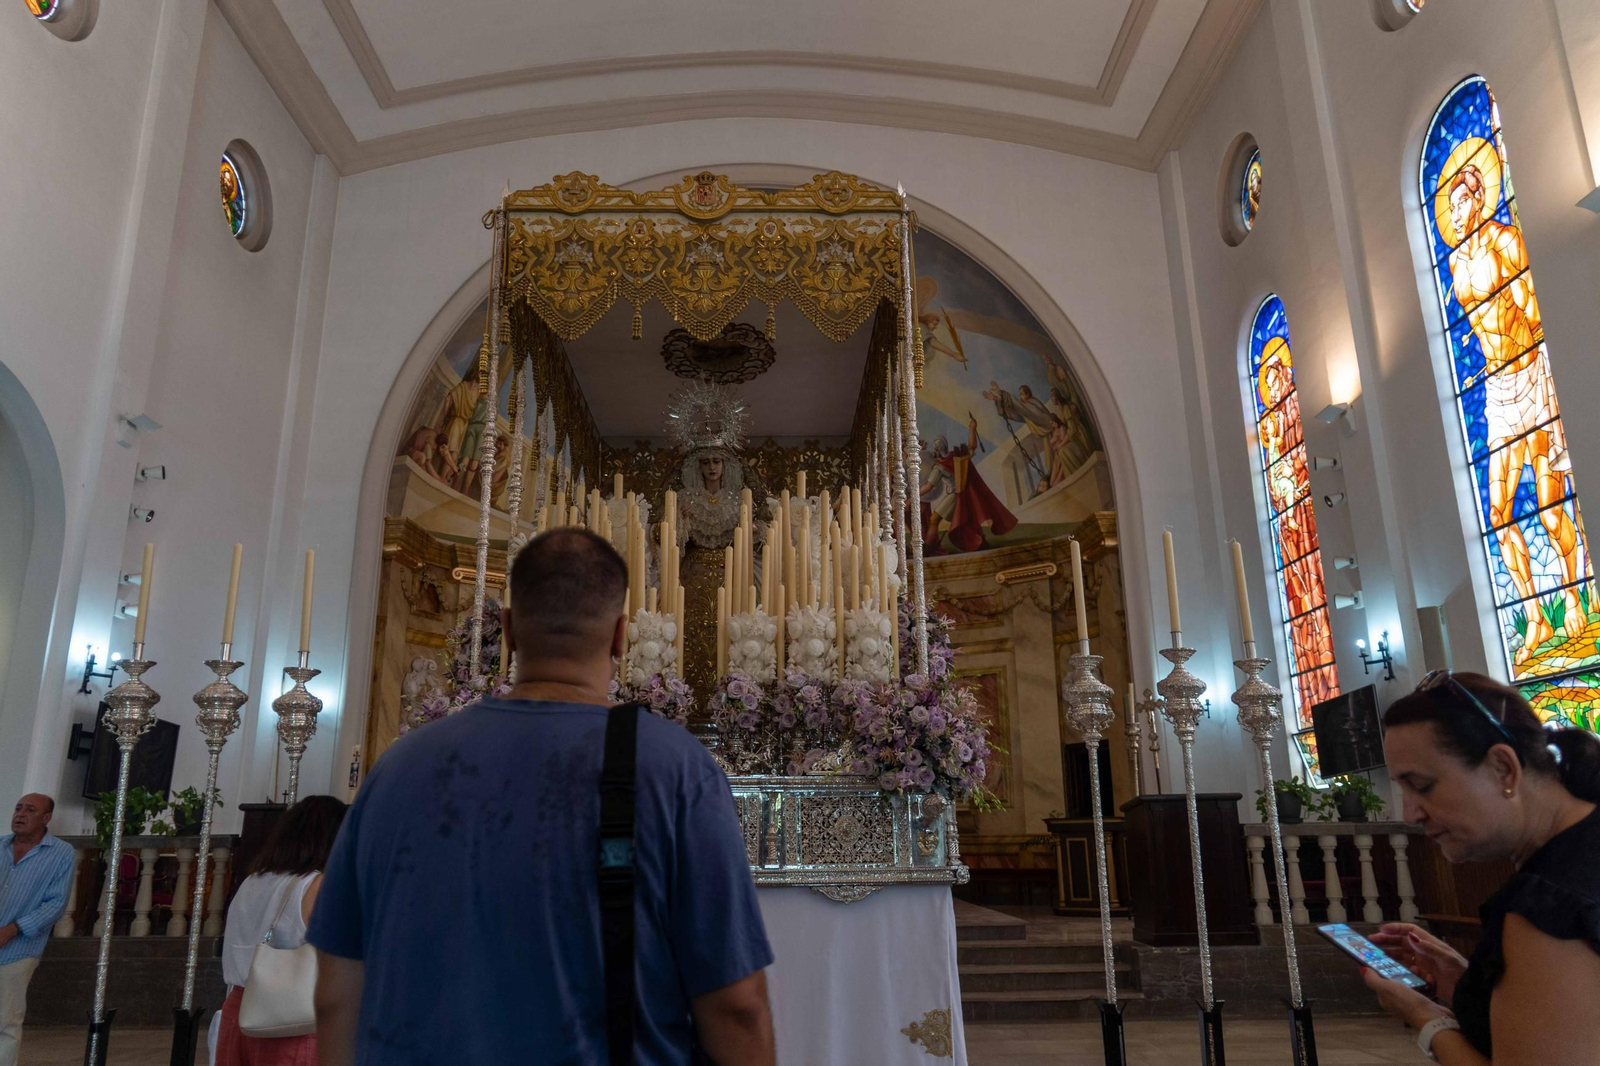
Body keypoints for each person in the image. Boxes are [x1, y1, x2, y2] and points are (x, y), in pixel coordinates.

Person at [309, 528, 776, 1065]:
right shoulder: (676, 769)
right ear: (621, 636)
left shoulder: (395, 768)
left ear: (508, 630)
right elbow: (735, 1006)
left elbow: (336, 992)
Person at [1361, 672, 1600, 1064]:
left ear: (1503, 768)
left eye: (1421, 786)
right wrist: (1469, 980)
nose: (1410, 814)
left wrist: (1424, 1017)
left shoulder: (1547, 908)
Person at [214, 795, 348, 1066]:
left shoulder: (252, 881)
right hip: (290, 1018)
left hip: (240, 1011)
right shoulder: (317, 885)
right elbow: (342, 960)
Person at [0, 793, 74, 1066]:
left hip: (18, 950)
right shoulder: (0, 845)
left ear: (46, 818)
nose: (20, 814)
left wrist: (12, 929)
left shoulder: (61, 853)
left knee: (6, 1021)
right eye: (18, 808)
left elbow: (55, 904)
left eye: (30, 810)